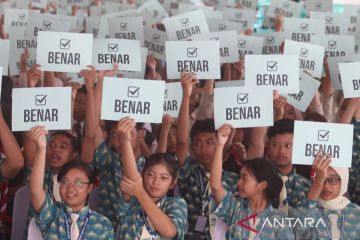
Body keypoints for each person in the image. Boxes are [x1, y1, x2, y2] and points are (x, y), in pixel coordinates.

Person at [176, 71, 239, 239]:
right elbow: (182, 141)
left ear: (219, 142)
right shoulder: (188, 171)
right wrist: (186, 95)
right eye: (197, 143)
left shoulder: (234, 179)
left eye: (210, 142)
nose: (203, 149)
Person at [29, 126, 114, 239]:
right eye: (65, 182)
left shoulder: (102, 223)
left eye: (78, 183)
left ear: (89, 188)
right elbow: (35, 191)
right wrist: (41, 149)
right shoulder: (52, 214)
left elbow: (90, 135)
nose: (70, 188)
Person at [210, 124, 294, 239]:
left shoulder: (279, 219)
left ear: (262, 185)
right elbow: (215, 186)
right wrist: (220, 144)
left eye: (244, 178)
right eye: (240, 178)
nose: (239, 183)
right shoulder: (235, 207)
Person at [116, 117, 188, 239]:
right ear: (142, 175)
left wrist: (140, 192)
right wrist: (125, 141)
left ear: (173, 183)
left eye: (164, 178)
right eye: (150, 174)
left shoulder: (176, 203)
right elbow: (131, 176)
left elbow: (169, 232)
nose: (156, 181)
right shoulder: (132, 200)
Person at [300, 152, 360, 239]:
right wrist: (318, 181)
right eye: (321, 179)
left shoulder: (356, 213)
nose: (326, 186)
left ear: (343, 179)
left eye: (332, 180)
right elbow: (300, 231)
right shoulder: (308, 208)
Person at [265, 119, 312, 214]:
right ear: (267, 144)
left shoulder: (308, 186)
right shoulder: (259, 182)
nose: (281, 151)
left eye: (288, 145)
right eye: (275, 145)